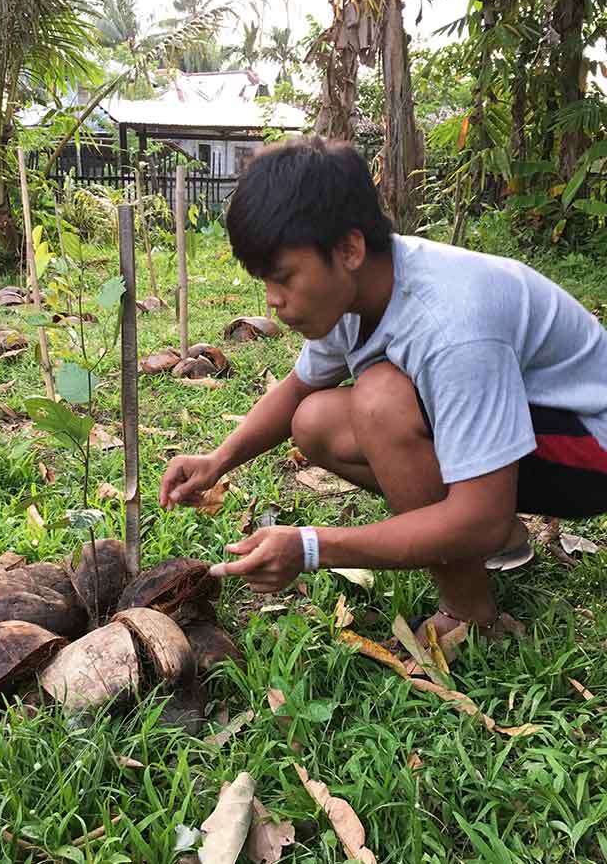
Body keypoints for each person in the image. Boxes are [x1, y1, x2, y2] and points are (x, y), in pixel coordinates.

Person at [159, 136, 607, 641]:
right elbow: (296, 390)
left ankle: (472, 616)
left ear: (349, 248)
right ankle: (499, 538)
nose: (274, 301)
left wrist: (310, 547)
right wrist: (217, 461)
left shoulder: (449, 324)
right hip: (530, 430)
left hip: (590, 447)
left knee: (380, 401)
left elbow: (474, 510)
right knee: (315, 420)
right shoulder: (363, 289)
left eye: (284, 277)